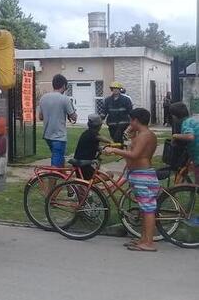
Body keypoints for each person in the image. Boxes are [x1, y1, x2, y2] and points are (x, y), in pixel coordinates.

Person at [103, 108, 158, 252]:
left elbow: (134, 154)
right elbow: (134, 150)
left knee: (148, 210)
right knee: (144, 209)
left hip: (143, 175)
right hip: (140, 173)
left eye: (131, 120)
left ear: (136, 120)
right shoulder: (144, 135)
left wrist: (114, 150)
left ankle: (149, 243)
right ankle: (144, 239)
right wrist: (130, 135)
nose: (129, 122)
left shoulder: (145, 135)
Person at [37, 74, 77, 167]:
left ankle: (61, 180)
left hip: (47, 135)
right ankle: (52, 180)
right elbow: (73, 117)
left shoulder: (43, 98)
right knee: (56, 163)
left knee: (59, 158)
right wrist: (72, 112)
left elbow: (41, 117)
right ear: (64, 86)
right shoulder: (65, 99)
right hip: (59, 136)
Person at [73, 114, 112, 179]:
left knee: (103, 173)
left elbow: (95, 147)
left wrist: (103, 150)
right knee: (109, 175)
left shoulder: (87, 133)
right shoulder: (92, 134)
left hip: (83, 163)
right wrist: (113, 143)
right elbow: (101, 138)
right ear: (99, 126)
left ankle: (87, 185)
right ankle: (89, 185)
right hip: (84, 165)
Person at [169, 101, 199, 184]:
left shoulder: (186, 123)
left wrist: (175, 135)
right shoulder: (192, 120)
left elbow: (190, 137)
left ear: (175, 116)